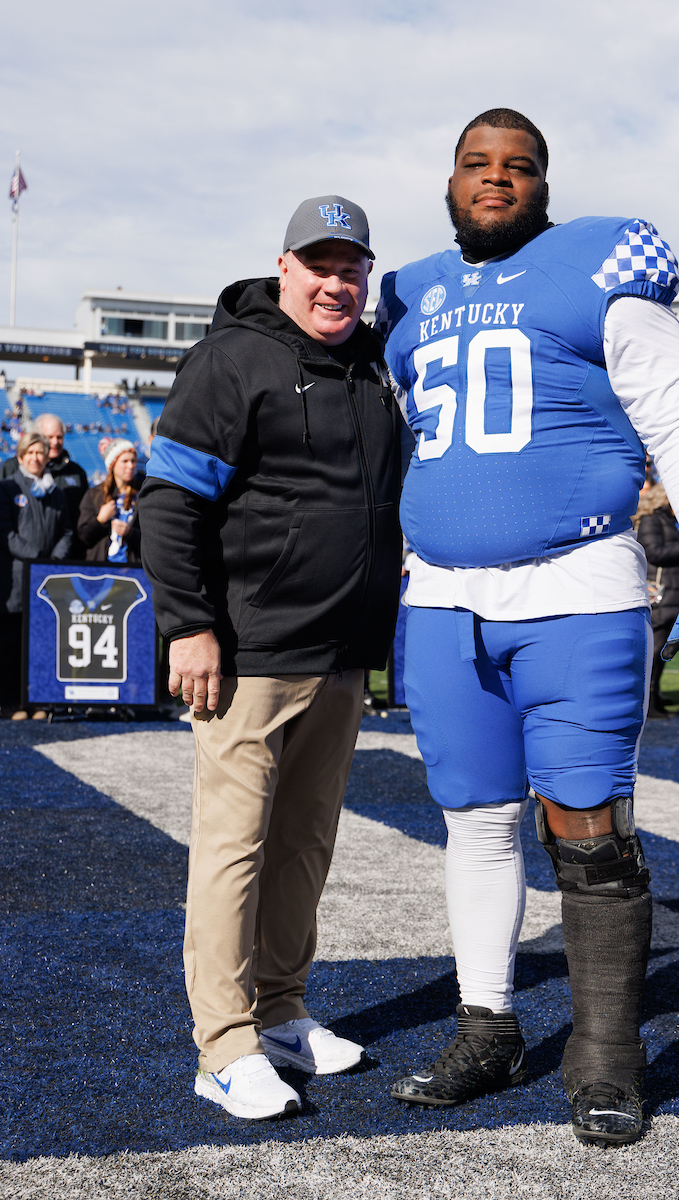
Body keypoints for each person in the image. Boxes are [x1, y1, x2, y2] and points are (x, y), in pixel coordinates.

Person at [376, 108, 679, 1146]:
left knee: (585, 828)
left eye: (517, 167)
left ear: (544, 185)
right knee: (475, 822)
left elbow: (674, 415)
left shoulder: (595, 269)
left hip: (575, 585)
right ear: (447, 179)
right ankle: (487, 1026)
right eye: (475, 164)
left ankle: (603, 1057)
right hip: (446, 596)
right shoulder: (404, 298)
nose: (494, 179)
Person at [138, 196, 402, 1121]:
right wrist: (189, 625)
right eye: (320, 265)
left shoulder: (371, 365)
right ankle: (223, 1044)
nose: (337, 284)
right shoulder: (231, 357)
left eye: (352, 268)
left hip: (339, 657)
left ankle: (282, 1012)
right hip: (250, 653)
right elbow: (169, 503)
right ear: (283, 266)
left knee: (304, 847)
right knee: (232, 851)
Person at [0, 432, 72, 717]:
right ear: (20, 457)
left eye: (40, 453)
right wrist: (37, 560)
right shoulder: (7, 489)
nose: (35, 458)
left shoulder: (56, 492)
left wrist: (52, 561)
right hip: (17, 580)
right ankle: (9, 702)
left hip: (47, 579)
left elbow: (66, 531)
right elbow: (6, 535)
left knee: (42, 644)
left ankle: (38, 700)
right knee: (11, 644)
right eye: (29, 453)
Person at [635, 484, 679, 719]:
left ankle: (654, 695)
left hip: (671, 594)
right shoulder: (651, 520)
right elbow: (653, 552)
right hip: (660, 594)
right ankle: (647, 702)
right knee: (655, 649)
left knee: (662, 650)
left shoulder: (667, 522)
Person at [1, 413, 88, 552]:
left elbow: (71, 526)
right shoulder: (9, 469)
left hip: (64, 556)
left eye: (59, 437)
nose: (55, 442)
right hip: (16, 561)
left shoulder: (77, 472)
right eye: (49, 437)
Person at [77, 439, 141, 564]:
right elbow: (82, 537)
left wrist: (130, 533)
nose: (131, 465)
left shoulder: (142, 494)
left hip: (133, 569)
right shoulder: (94, 495)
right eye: (125, 461)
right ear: (113, 464)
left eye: (133, 461)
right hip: (101, 567)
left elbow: (152, 539)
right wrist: (100, 520)